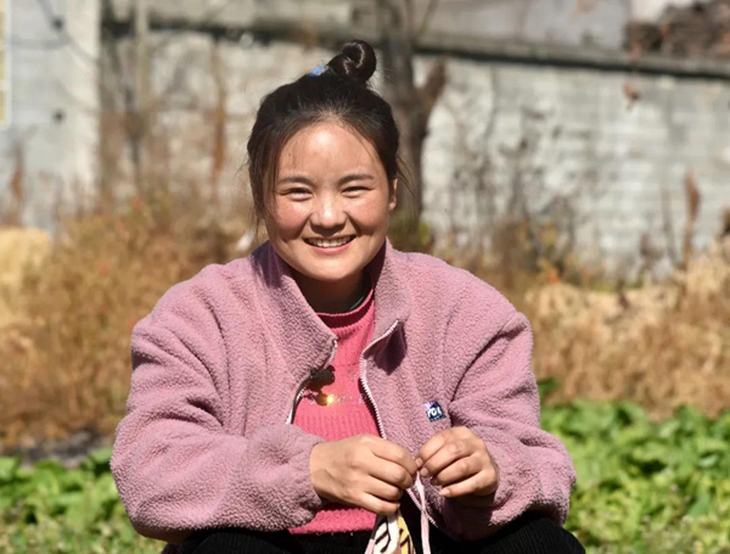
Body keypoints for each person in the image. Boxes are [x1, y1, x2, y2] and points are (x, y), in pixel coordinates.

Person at [111, 40, 584, 554]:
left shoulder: (464, 311)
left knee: (540, 544)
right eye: (298, 192)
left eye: (355, 189)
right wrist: (308, 471)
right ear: (261, 196)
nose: (329, 217)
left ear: (393, 190)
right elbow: (149, 472)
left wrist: (491, 469)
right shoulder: (199, 317)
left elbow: (541, 463)